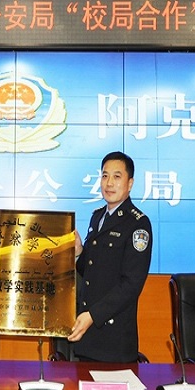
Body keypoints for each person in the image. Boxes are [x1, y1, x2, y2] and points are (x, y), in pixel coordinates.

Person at [67, 151, 152, 362]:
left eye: (117, 176)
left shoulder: (138, 224)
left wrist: (93, 316)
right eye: (105, 176)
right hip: (87, 337)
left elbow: (131, 285)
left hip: (114, 341)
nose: (109, 183)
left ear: (130, 183)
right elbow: (91, 271)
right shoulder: (97, 217)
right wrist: (79, 252)